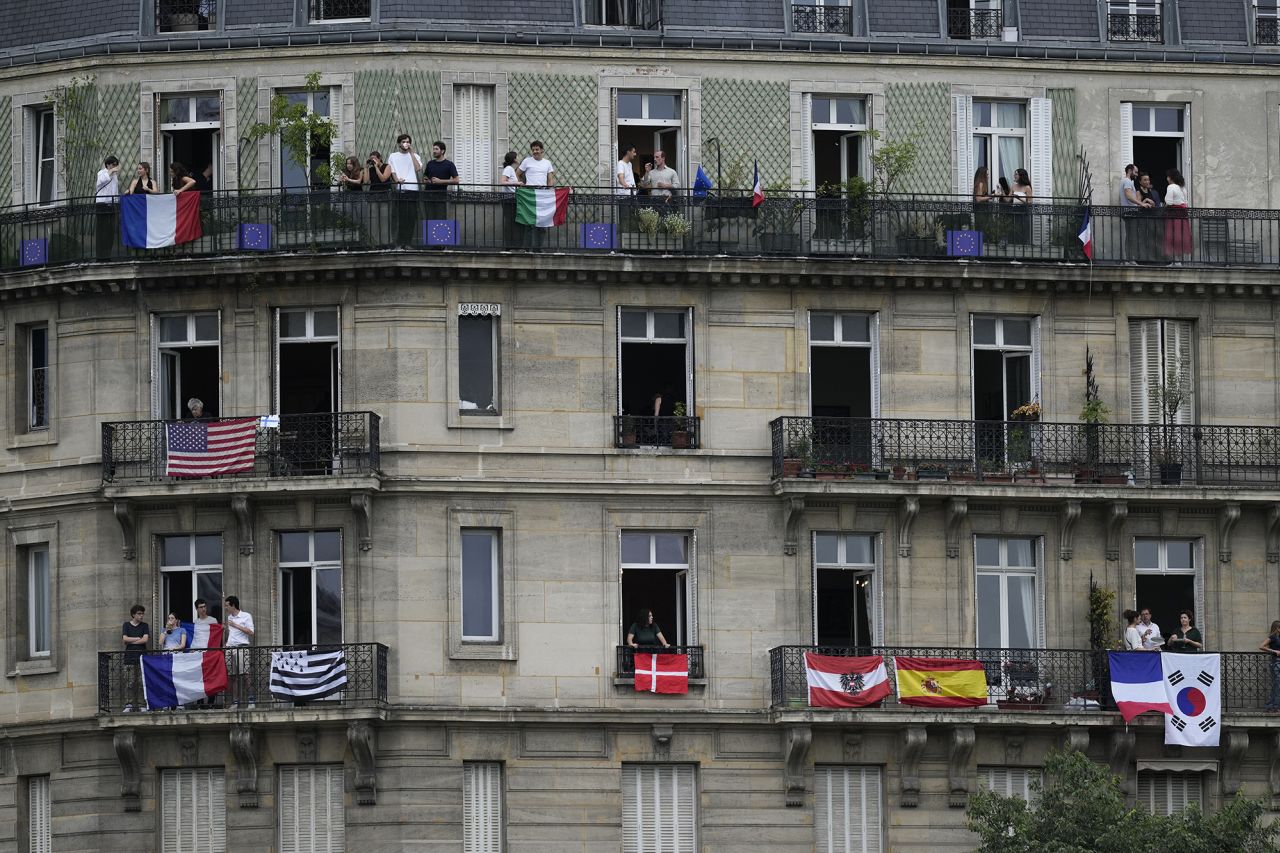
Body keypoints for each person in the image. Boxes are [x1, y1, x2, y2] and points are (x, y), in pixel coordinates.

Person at [389, 134, 423, 247]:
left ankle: (408, 242)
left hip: (413, 190)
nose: (406, 143)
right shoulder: (393, 156)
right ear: (399, 143)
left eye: (408, 141)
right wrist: (397, 180)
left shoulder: (415, 155)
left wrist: (411, 152)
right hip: (401, 190)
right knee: (402, 217)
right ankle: (400, 242)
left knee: (411, 217)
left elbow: (418, 168)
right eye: (403, 141)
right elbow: (392, 171)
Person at [224, 596, 255, 708]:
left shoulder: (246, 616)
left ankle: (251, 702)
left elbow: (251, 632)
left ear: (233, 605)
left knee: (246, 674)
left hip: (241, 648)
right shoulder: (229, 617)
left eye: (227, 605)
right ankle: (235, 702)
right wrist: (226, 643)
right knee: (232, 676)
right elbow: (232, 634)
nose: (226, 607)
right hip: (230, 648)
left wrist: (236, 625)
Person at [189, 597, 218, 706]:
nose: (203, 609)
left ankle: (211, 702)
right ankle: (200, 702)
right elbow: (194, 638)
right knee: (198, 678)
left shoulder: (213, 620)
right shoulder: (195, 622)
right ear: (197, 609)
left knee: (211, 678)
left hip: (210, 654)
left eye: (204, 606)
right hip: (198, 654)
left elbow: (216, 636)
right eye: (201, 607)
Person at [121, 604, 150, 712]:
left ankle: (142, 704)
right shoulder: (126, 625)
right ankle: (128, 704)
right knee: (129, 681)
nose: (141, 616)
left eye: (142, 614)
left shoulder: (144, 626)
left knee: (142, 682)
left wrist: (131, 640)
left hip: (142, 657)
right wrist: (138, 638)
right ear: (133, 614)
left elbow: (145, 640)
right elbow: (124, 639)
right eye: (139, 614)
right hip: (129, 657)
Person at [422, 140, 460, 222]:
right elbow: (425, 176)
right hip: (428, 195)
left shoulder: (449, 164)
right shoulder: (430, 163)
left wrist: (440, 181)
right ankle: (429, 235)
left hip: (441, 196)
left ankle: (440, 235)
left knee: (440, 220)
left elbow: (456, 180)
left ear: (442, 151)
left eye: (436, 149)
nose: (434, 151)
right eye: (433, 149)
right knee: (429, 219)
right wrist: (426, 180)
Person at [1163, 168, 1192, 265]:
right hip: (1182, 214)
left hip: (1173, 214)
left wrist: (1165, 206)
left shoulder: (1171, 187)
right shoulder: (1182, 188)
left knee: (1172, 236)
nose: (1167, 178)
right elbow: (1185, 202)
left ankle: (1175, 261)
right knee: (1180, 237)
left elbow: (1169, 202)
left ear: (1170, 177)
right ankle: (1178, 260)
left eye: (1167, 176)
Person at [365, 151, 394, 246]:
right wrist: (366, 168)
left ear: (379, 158)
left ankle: (386, 243)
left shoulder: (387, 166)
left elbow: (383, 179)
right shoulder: (371, 169)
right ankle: (374, 243)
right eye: (371, 159)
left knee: (384, 221)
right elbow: (366, 181)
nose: (373, 161)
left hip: (384, 195)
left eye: (374, 158)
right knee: (373, 221)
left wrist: (377, 167)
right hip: (373, 195)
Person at [94, 156, 120, 260]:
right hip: (102, 204)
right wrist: (111, 171)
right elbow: (101, 181)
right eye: (113, 164)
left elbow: (115, 190)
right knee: (102, 231)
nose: (115, 167)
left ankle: (107, 254)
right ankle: (100, 255)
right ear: (108, 164)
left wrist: (116, 202)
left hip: (111, 204)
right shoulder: (101, 173)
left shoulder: (114, 176)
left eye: (116, 165)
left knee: (110, 231)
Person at [1135, 171, 1160, 262]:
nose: (1147, 182)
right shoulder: (1138, 191)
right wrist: (1145, 199)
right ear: (1140, 181)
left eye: (1148, 180)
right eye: (1145, 180)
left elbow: (1154, 204)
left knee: (1151, 238)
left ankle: (1151, 258)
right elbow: (1138, 205)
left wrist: (1152, 203)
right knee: (1142, 238)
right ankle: (1143, 258)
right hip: (1142, 218)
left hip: (1151, 217)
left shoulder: (1150, 191)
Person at [1119, 163, 1141, 262]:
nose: (1136, 174)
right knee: (1132, 236)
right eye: (1135, 172)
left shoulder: (1126, 181)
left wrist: (1140, 203)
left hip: (1129, 212)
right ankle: (1130, 259)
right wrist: (1141, 204)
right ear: (1130, 171)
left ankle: (1129, 258)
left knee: (1130, 236)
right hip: (1130, 212)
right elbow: (1128, 195)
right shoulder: (1127, 181)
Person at [500, 150, 520, 245]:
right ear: (514, 159)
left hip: (511, 199)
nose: (518, 158)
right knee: (510, 222)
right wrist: (517, 183)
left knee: (511, 222)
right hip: (509, 199)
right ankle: (508, 245)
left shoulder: (511, 169)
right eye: (517, 156)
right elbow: (503, 181)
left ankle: (511, 244)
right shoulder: (508, 168)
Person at [1259, 621, 1280, 711]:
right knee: (1278, 685)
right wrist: (1274, 651)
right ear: (1277, 628)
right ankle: (1274, 706)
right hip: (1276, 663)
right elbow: (1261, 646)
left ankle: (1272, 705)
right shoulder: (1272, 637)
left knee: (1277, 685)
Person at [1010, 167, 1032, 245]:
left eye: (1016, 174)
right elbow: (1007, 200)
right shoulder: (1013, 186)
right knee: (1014, 231)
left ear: (1021, 176)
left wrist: (1019, 199)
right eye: (1014, 174)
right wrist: (1002, 192)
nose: (1014, 176)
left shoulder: (1027, 188)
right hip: (1014, 210)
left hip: (1023, 211)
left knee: (1023, 231)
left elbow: (1029, 203)